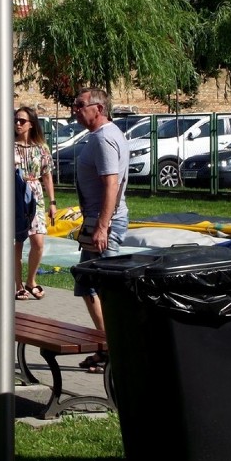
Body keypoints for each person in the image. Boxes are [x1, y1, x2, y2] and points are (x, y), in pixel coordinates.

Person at [71, 88, 130, 373]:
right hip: (96, 223)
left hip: (105, 224)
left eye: (80, 105)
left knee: (103, 289)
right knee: (87, 284)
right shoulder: (100, 136)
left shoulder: (105, 138)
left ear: (99, 108)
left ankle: (115, 350)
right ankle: (108, 345)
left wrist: (103, 227)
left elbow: (112, 185)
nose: (75, 109)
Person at [13, 105, 56, 300]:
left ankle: (31, 280)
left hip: (35, 194)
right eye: (15, 120)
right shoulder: (8, 146)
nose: (18, 124)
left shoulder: (41, 148)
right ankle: (18, 285)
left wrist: (52, 202)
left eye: (22, 121)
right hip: (15, 194)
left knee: (38, 242)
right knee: (17, 243)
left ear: (31, 124)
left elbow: (47, 176)